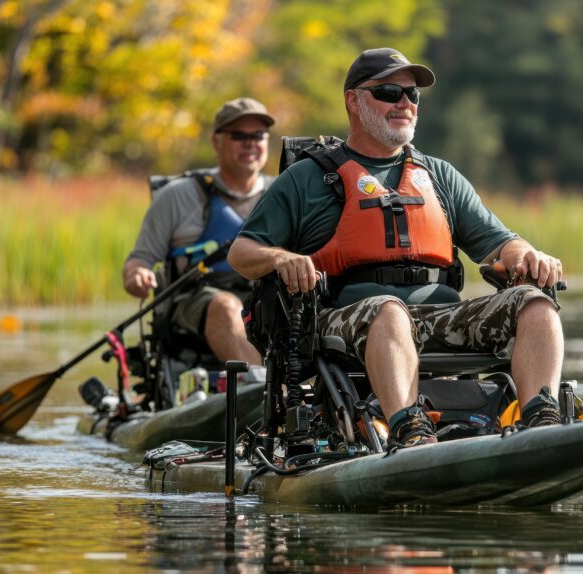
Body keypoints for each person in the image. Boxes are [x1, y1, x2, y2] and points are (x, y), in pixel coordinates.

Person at [228, 48, 564, 447]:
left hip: (439, 318)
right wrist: (282, 258)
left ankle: (543, 424)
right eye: (389, 92)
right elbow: (242, 253)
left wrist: (527, 255)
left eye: (412, 95)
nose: (405, 103)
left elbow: (501, 242)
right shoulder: (306, 179)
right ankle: (412, 431)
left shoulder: (438, 175)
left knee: (534, 303)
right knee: (389, 311)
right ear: (354, 100)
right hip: (349, 319)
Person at [123, 97, 276, 366]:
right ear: (216, 141)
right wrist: (138, 276)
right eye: (238, 135)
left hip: (266, 297)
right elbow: (140, 260)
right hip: (198, 299)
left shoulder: (283, 193)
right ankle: (264, 392)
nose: (250, 142)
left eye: (258, 135)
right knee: (226, 308)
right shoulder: (177, 195)